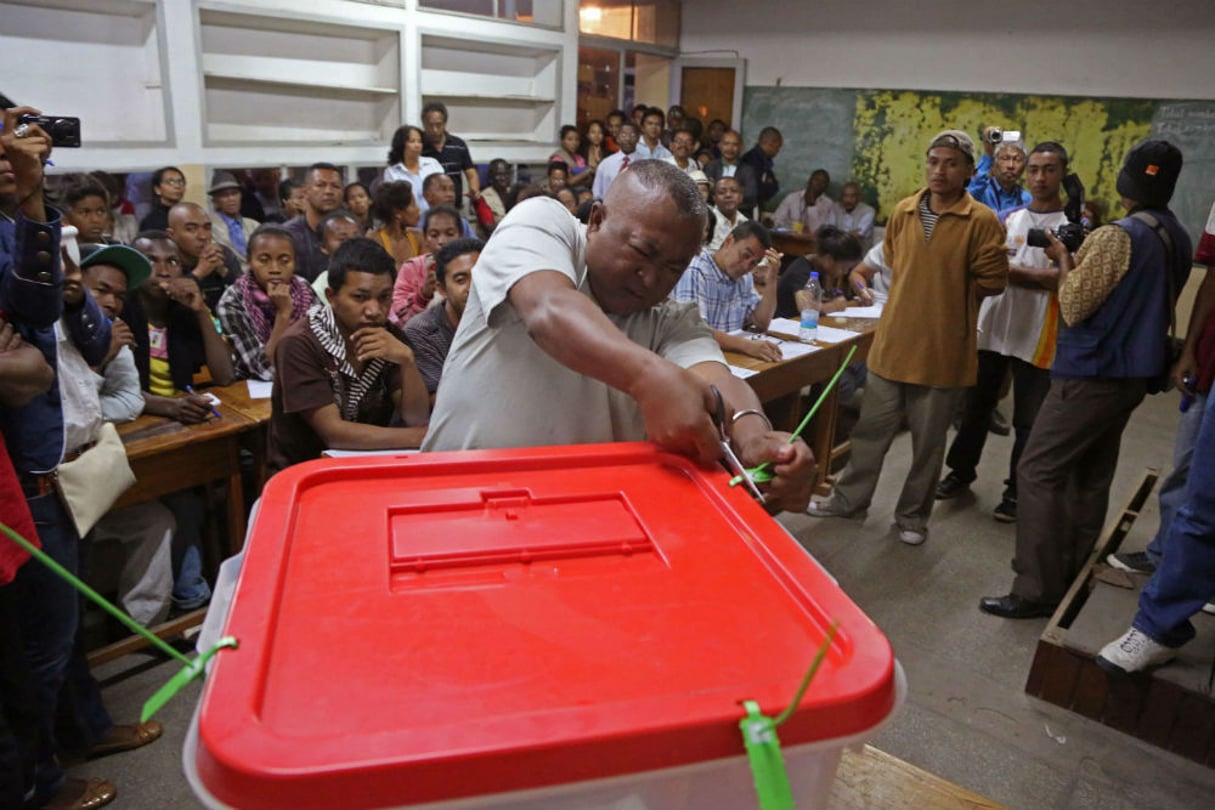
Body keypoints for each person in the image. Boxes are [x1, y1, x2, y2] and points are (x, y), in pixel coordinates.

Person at [421, 161, 815, 515]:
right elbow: (548, 309)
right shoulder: (542, 225)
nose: (652, 278)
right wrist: (649, 378)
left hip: (581, 521)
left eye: (674, 267)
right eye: (642, 252)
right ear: (595, 220)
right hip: (458, 503)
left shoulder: (672, 320)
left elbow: (718, 379)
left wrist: (754, 438)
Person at [981, 139, 1192, 618]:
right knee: (1091, 471)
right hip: (1134, 373)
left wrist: (1061, 258)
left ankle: (1034, 587)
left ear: (1126, 181)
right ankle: (1072, 568)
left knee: (1038, 469)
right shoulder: (1175, 233)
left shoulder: (1117, 236)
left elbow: (1074, 305)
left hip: (1092, 372)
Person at [806, 130, 1008, 546]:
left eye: (951, 162)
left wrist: (945, 293)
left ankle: (913, 517)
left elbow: (993, 281)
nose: (940, 170)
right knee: (869, 434)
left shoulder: (982, 221)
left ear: (969, 170)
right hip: (893, 345)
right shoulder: (904, 211)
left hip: (943, 351)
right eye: (934, 161)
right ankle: (849, 502)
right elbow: (895, 264)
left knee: (928, 445)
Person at [937, 142, 1073, 522]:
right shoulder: (1008, 218)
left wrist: (1012, 274)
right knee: (975, 408)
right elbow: (982, 268)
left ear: (1062, 173)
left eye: (1049, 170)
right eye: (1034, 170)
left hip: (1038, 337)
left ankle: (1016, 491)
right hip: (993, 331)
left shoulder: (1072, 225)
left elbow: (1064, 280)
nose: (1040, 177)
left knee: (1028, 421)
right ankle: (960, 473)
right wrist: (1034, 276)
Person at [1108, 199, 1215, 578]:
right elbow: (1212, 278)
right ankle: (1166, 556)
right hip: (1210, 359)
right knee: (1188, 464)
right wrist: (1190, 350)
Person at [267, 238, 430, 473]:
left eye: (384, 297)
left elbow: (416, 418)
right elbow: (333, 433)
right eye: (360, 298)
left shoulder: (390, 338)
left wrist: (408, 362)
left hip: (369, 464)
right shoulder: (299, 343)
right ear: (331, 297)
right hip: (303, 471)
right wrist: (418, 437)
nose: (374, 310)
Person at [218, 224, 319, 381]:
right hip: (253, 388)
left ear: (294, 263)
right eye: (264, 260)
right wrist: (283, 313)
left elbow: (326, 346)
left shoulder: (303, 288)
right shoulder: (233, 300)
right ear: (250, 262)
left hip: (305, 377)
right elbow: (266, 371)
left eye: (284, 261)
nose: (274, 269)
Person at [672, 220, 782, 363]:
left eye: (754, 263)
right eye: (745, 255)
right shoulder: (696, 269)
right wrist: (747, 346)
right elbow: (696, 331)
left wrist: (772, 278)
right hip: (695, 358)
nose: (746, 266)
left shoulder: (745, 277)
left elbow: (760, 323)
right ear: (729, 241)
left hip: (730, 357)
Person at [404, 237, 481, 402]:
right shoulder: (421, 331)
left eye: (480, 276)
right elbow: (440, 401)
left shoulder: (507, 319)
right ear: (442, 289)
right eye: (461, 280)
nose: (473, 287)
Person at [389, 205, 464, 325]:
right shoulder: (411, 268)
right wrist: (423, 295)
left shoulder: (473, 266)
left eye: (450, 234)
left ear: (460, 235)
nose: (441, 241)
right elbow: (398, 318)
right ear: (425, 237)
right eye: (434, 235)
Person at [775, 224, 864, 320]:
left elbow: (822, 299)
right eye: (843, 268)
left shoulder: (821, 267)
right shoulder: (801, 271)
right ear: (829, 259)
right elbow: (805, 308)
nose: (845, 272)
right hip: (783, 325)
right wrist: (834, 306)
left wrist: (861, 292)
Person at [167, 201, 242, 312]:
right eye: (191, 229)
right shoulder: (165, 260)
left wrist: (224, 271)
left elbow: (246, 297)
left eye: (207, 228)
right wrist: (199, 273)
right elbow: (166, 304)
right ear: (171, 234)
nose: (203, 236)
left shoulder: (222, 254)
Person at [284, 162, 344, 283]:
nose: (329, 191)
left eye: (335, 186)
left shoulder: (352, 231)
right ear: (305, 191)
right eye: (320, 185)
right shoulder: (288, 235)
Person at [420, 101, 479, 206]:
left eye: (438, 125)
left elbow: (471, 173)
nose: (435, 130)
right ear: (423, 123)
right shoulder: (419, 147)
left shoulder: (459, 145)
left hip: (455, 207)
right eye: (430, 125)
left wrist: (474, 189)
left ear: (445, 123)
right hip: (429, 208)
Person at [968, 130, 1031, 216]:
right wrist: (988, 154)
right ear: (994, 163)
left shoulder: (1026, 199)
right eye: (1005, 158)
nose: (1011, 165)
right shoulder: (982, 191)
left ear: (1024, 166)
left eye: (1017, 160)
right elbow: (970, 192)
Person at [383, 124, 444, 212]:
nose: (417, 145)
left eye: (419, 141)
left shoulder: (432, 163)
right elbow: (392, 202)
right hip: (409, 220)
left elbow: (444, 188)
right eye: (412, 141)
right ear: (402, 144)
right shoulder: (392, 172)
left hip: (436, 215)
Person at [207, 171, 259, 271]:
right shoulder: (209, 228)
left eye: (234, 193)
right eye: (224, 195)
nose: (231, 199)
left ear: (240, 196)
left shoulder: (254, 225)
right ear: (215, 201)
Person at [309, 211, 364, 297]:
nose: (353, 243)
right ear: (323, 247)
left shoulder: (379, 275)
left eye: (356, 237)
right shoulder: (319, 288)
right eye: (343, 239)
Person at [704, 129, 759, 214]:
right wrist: (739, 190)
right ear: (720, 145)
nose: (730, 148)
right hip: (714, 214)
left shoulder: (748, 170)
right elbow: (706, 192)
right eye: (726, 144)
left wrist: (718, 189)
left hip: (740, 214)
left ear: (741, 147)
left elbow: (751, 195)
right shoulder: (711, 166)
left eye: (735, 145)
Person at [368, 181, 423, 265]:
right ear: (397, 213)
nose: (418, 209)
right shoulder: (374, 241)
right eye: (413, 205)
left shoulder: (419, 238)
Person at [60, 174, 116, 245]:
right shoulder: (57, 253)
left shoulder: (120, 250)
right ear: (65, 219)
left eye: (100, 211)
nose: (95, 220)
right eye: (85, 212)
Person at [773, 169, 835, 234]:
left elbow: (818, 230)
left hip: (811, 241)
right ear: (809, 181)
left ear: (826, 186)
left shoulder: (828, 204)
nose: (818, 184)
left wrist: (812, 205)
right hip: (789, 237)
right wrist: (791, 228)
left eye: (823, 182)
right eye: (816, 180)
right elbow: (777, 220)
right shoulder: (792, 197)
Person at [591, 121, 640, 199]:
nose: (628, 139)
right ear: (617, 138)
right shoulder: (605, 164)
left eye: (632, 135)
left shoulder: (645, 164)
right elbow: (597, 192)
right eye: (623, 135)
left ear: (638, 138)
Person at [740, 127, 783, 213]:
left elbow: (774, 185)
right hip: (748, 208)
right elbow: (756, 189)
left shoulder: (763, 160)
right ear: (771, 144)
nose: (778, 151)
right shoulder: (753, 160)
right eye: (778, 147)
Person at [707, 176, 749, 252]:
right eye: (722, 192)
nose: (728, 195)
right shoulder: (706, 222)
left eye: (734, 191)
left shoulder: (746, 224)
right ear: (714, 198)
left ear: (741, 197)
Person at [137, 166, 185, 231]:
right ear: (157, 189)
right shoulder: (151, 222)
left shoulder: (189, 215)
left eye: (180, 182)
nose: (177, 186)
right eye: (170, 182)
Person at [834, 181, 876, 250]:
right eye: (845, 196)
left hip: (860, 256)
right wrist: (851, 233)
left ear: (858, 197)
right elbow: (829, 231)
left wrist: (837, 233)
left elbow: (858, 235)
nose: (848, 200)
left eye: (852, 196)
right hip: (838, 254)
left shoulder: (868, 211)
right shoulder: (835, 208)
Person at [480, 158, 513, 234]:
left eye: (506, 174)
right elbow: (489, 228)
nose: (503, 178)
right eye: (499, 174)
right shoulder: (482, 198)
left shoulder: (514, 193)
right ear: (491, 177)